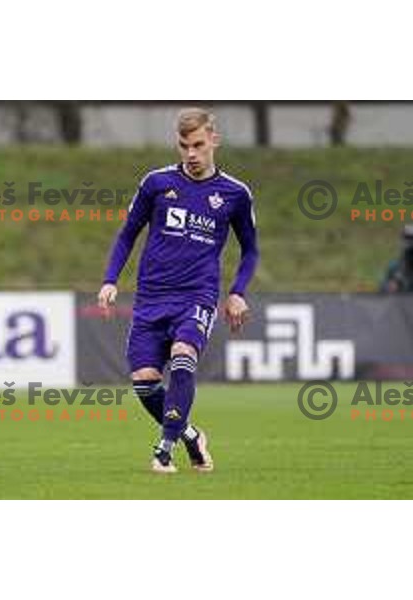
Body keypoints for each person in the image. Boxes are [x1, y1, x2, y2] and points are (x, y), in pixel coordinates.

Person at [98, 108, 259, 473]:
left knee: (184, 356)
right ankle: (191, 435)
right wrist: (110, 279)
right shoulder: (156, 183)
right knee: (144, 384)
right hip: (151, 298)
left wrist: (238, 291)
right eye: (185, 145)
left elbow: (250, 249)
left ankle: (163, 450)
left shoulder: (234, 194)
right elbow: (127, 234)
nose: (191, 153)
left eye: (199, 145)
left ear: (214, 141)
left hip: (196, 296)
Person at [380, 225, 413, 293]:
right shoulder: (395, 267)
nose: (409, 243)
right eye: (407, 238)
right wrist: (390, 287)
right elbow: (382, 290)